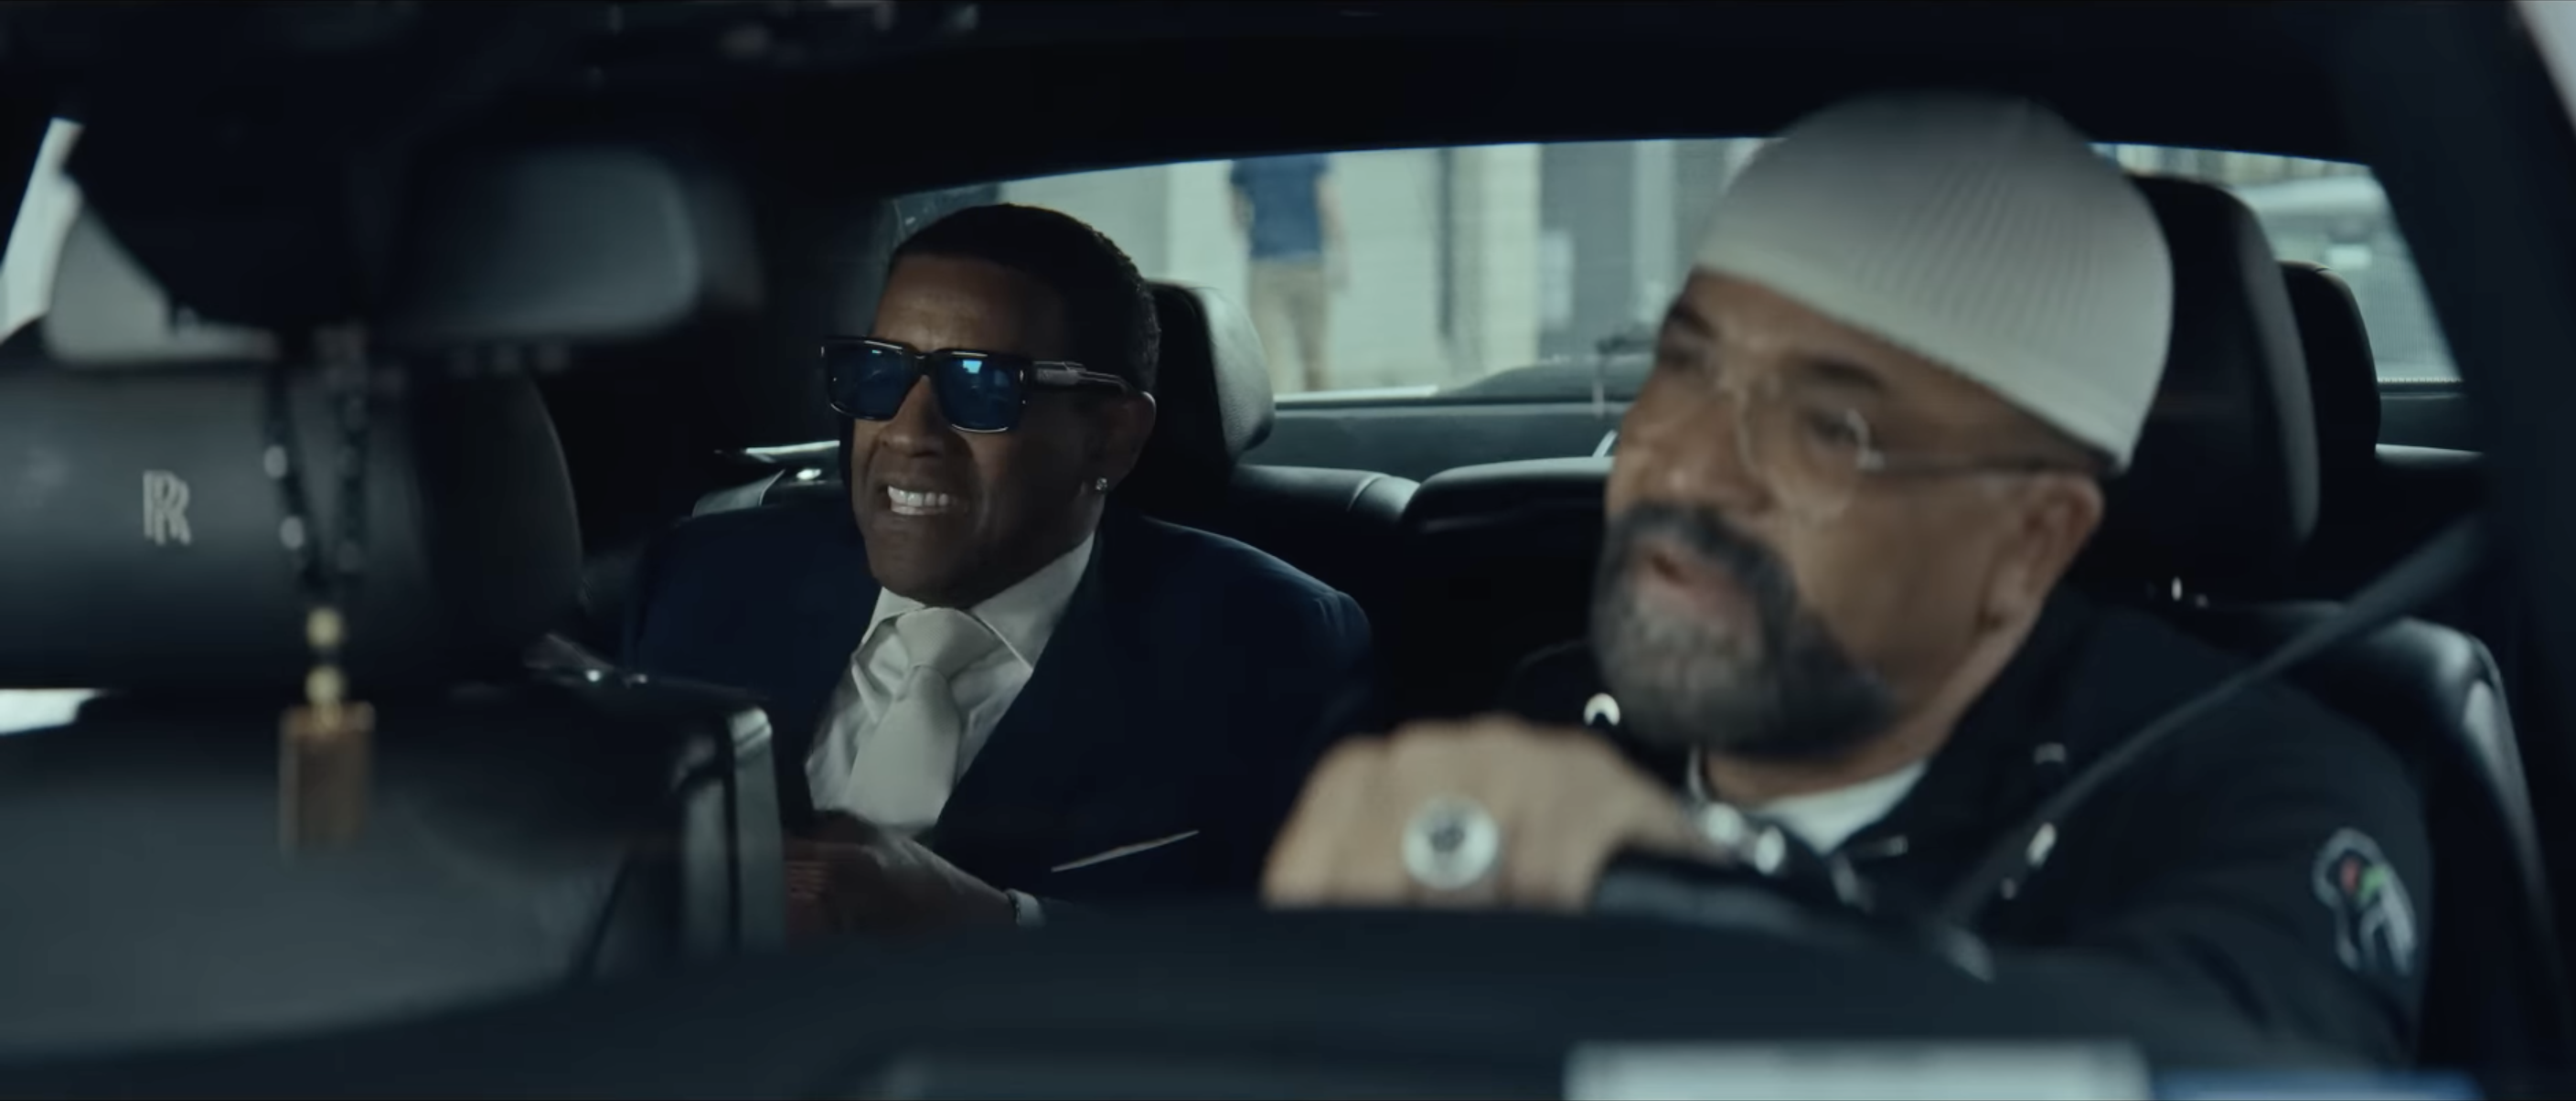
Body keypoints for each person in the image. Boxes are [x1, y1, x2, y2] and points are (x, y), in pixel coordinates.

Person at [1263, 93, 2432, 1062]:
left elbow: (2225, 1069)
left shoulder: (2270, 789)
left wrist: (1685, 895)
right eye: (1684, 366)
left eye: (1829, 428)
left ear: (2030, 541)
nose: (1686, 466)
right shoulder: (1539, 726)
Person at [627, 204, 1374, 933]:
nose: (907, 434)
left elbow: (1297, 966)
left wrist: (993, 923)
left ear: (1110, 437)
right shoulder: (706, 582)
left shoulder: (1268, 643)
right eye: (877, 373)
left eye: (979, 385)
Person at [1229, 153, 1341, 393]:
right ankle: (1320, 408)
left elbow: (1237, 211)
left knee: (1269, 356)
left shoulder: (1246, 156)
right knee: (1315, 356)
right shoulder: (1313, 153)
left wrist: (1253, 236)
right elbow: (1326, 202)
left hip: (1265, 263)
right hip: (1309, 260)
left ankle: (1276, 413)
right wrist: (1341, 254)